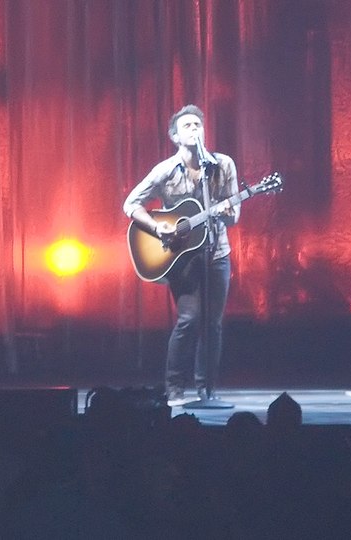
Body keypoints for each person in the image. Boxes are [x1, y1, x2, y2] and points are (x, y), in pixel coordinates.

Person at [123, 104, 240, 405]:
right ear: (175, 136)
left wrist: (225, 212)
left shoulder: (223, 165)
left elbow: (234, 215)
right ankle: (174, 389)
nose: (194, 129)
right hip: (181, 257)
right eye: (187, 126)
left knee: (212, 323)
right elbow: (131, 204)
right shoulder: (164, 171)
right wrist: (156, 226)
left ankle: (208, 390)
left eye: (198, 125)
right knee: (189, 320)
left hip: (217, 254)